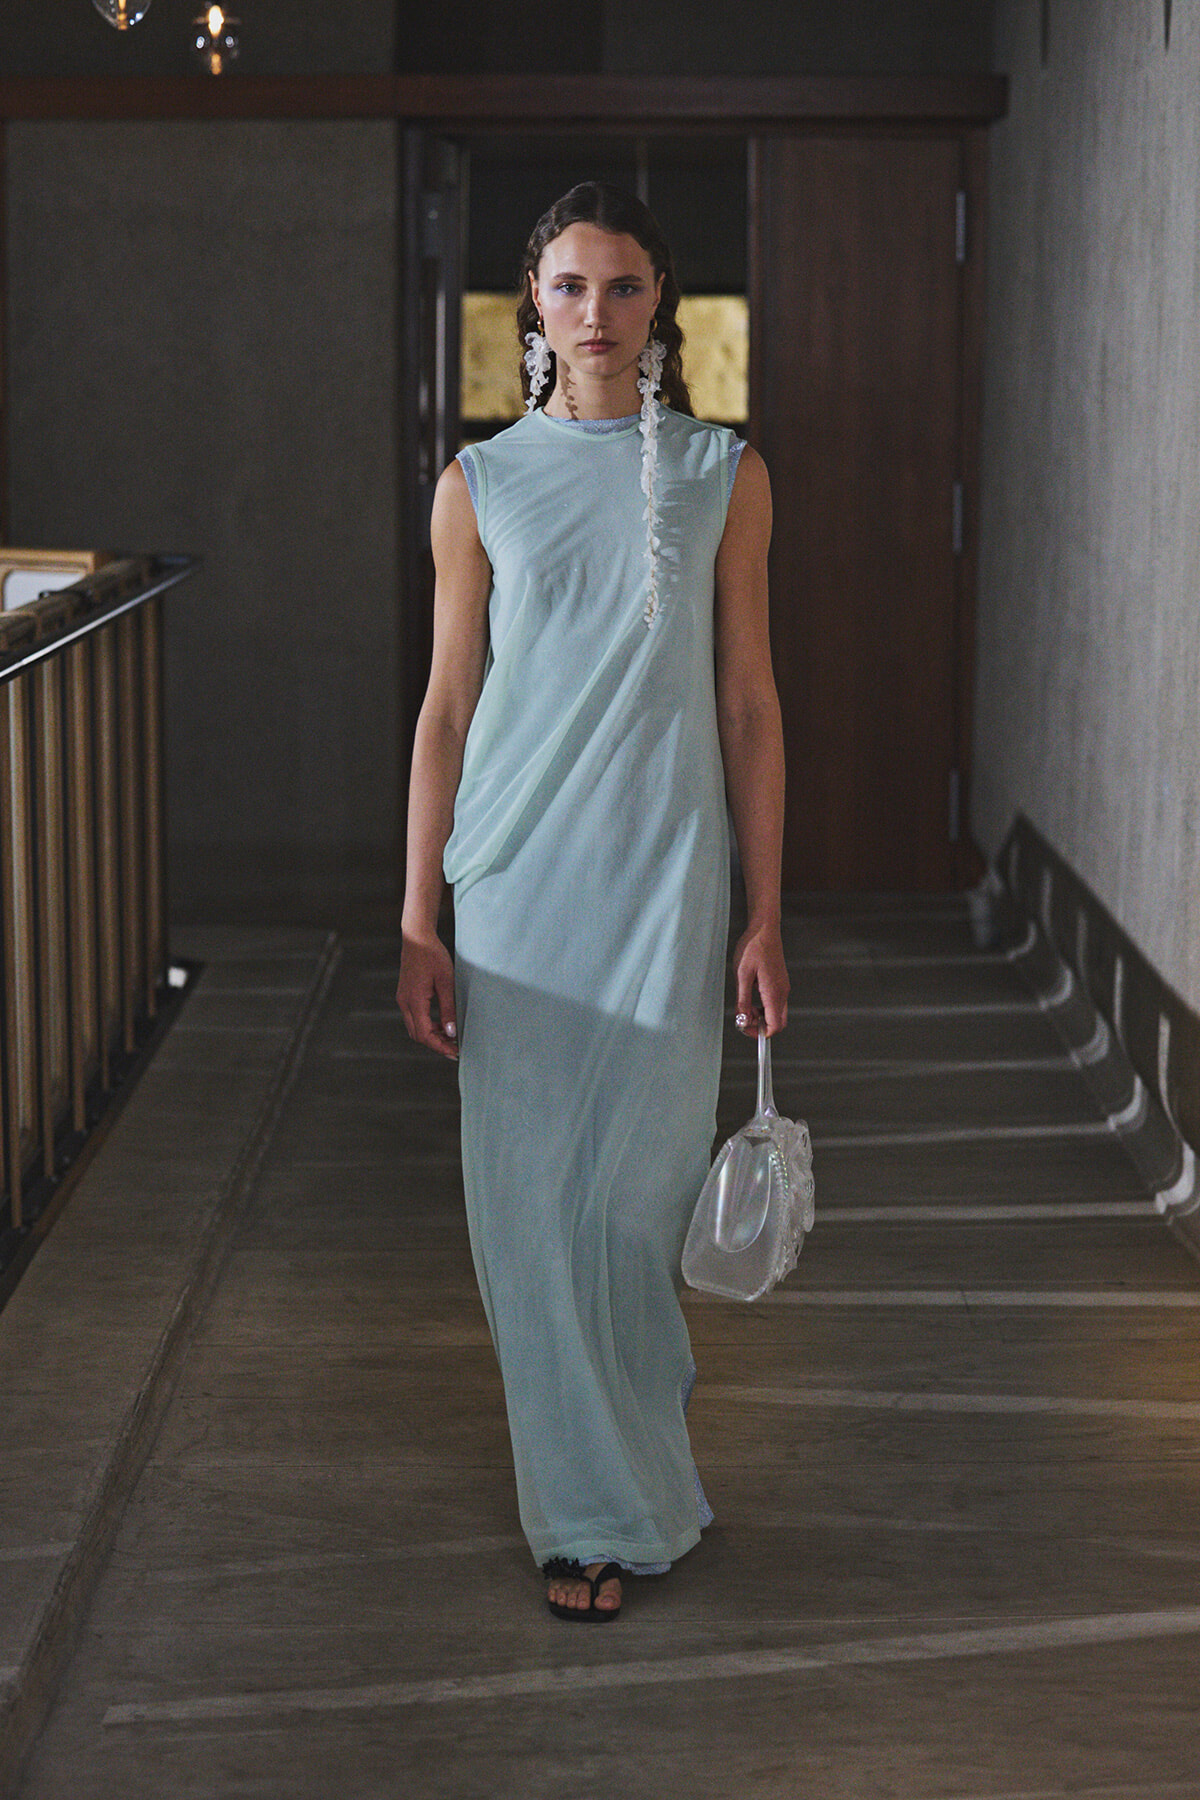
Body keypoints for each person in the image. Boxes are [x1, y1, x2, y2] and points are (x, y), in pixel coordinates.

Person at [396, 181, 788, 1623]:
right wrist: (418, 916)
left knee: (634, 1200)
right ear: (534, 304)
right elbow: (448, 709)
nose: (597, 313)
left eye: (623, 286)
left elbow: (748, 705)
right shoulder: (479, 485)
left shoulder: (723, 474)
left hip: (664, 879)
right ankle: (586, 1517)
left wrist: (765, 911)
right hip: (517, 888)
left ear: (659, 301)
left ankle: (639, 1449)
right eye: (570, 286)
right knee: (527, 1204)